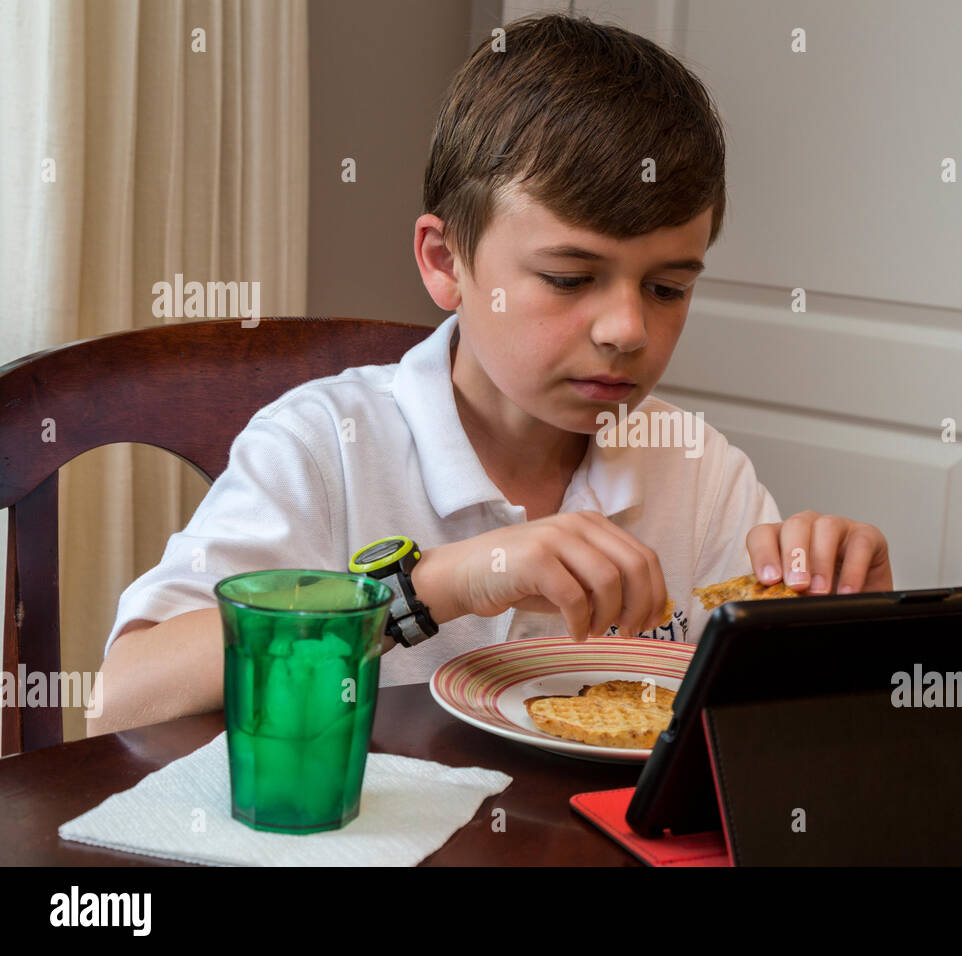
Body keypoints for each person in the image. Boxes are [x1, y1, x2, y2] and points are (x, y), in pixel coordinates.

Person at [88, 13, 891, 736]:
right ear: (447, 263)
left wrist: (843, 630)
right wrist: (437, 585)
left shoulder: (699, 471)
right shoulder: (323, 446)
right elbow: (125, 695)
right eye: (571, 278)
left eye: (668, 288)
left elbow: (776, 736)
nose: (626, 329)